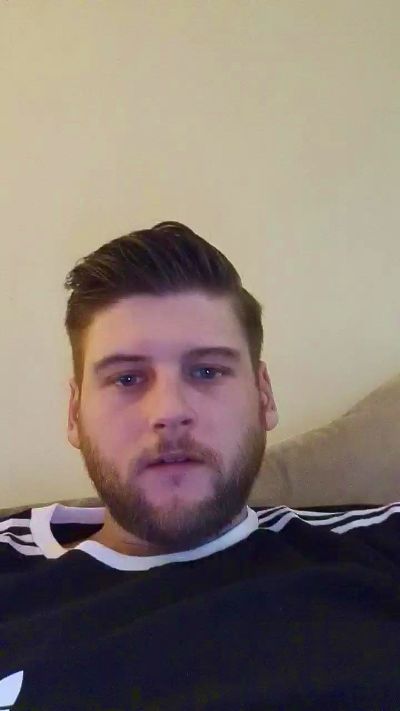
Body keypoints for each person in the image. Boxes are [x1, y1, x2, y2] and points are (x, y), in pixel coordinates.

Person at [1, 221, 399, 710]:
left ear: (264, 396)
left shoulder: (378, 547)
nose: (169, 411)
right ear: (73, 414)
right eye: (127, 378)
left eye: (207, 371)